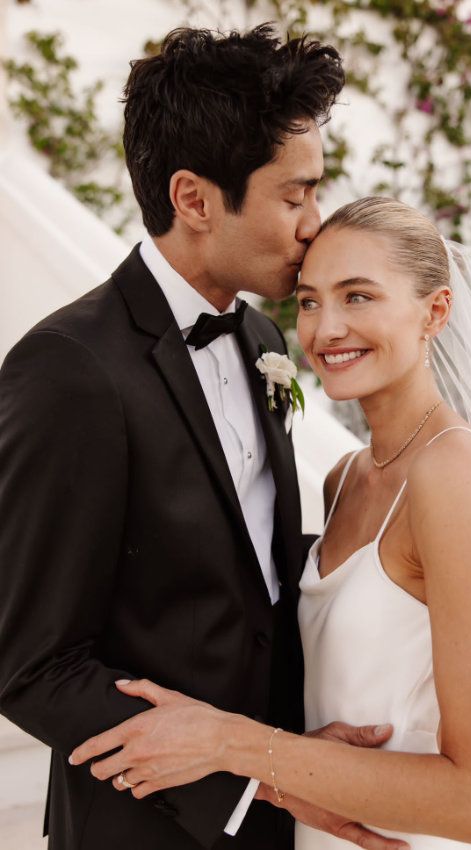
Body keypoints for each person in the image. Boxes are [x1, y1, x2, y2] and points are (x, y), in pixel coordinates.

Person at [70, 198, 471, 850]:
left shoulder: (455, 474)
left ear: (435, 311)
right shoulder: (344, 478)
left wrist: (230, 742)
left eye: (358, 297)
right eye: (312, 301)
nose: (326, 330)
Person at [0, 28, 409, 850]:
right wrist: (251, 774)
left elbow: (239, 562)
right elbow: (27, 662)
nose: (313, 224)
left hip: (290, 809)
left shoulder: (262, 336)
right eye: (293, 197)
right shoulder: (69, 369)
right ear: (193, 199)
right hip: (144, 828)